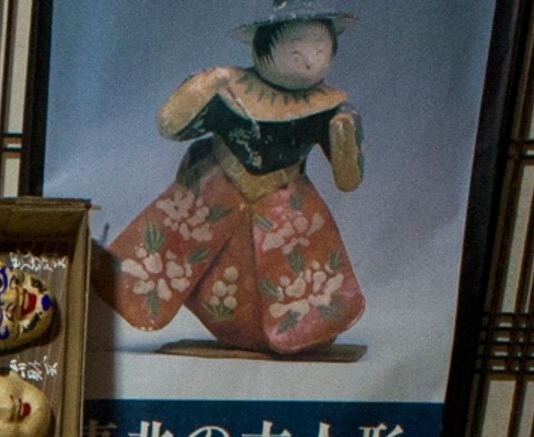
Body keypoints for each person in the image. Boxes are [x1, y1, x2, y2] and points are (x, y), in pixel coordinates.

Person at [100, 2, 364, 358]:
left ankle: (287, 334)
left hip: (285, 203)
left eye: (320, 49)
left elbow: (348, 179)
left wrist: (344, 133)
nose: (308, 60)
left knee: (292, 279)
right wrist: (199, 88)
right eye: (295, 49)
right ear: (262, 47)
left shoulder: (330, 104)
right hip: (215, 191)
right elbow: (170, 126)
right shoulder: (229, 88)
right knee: (196, 267)